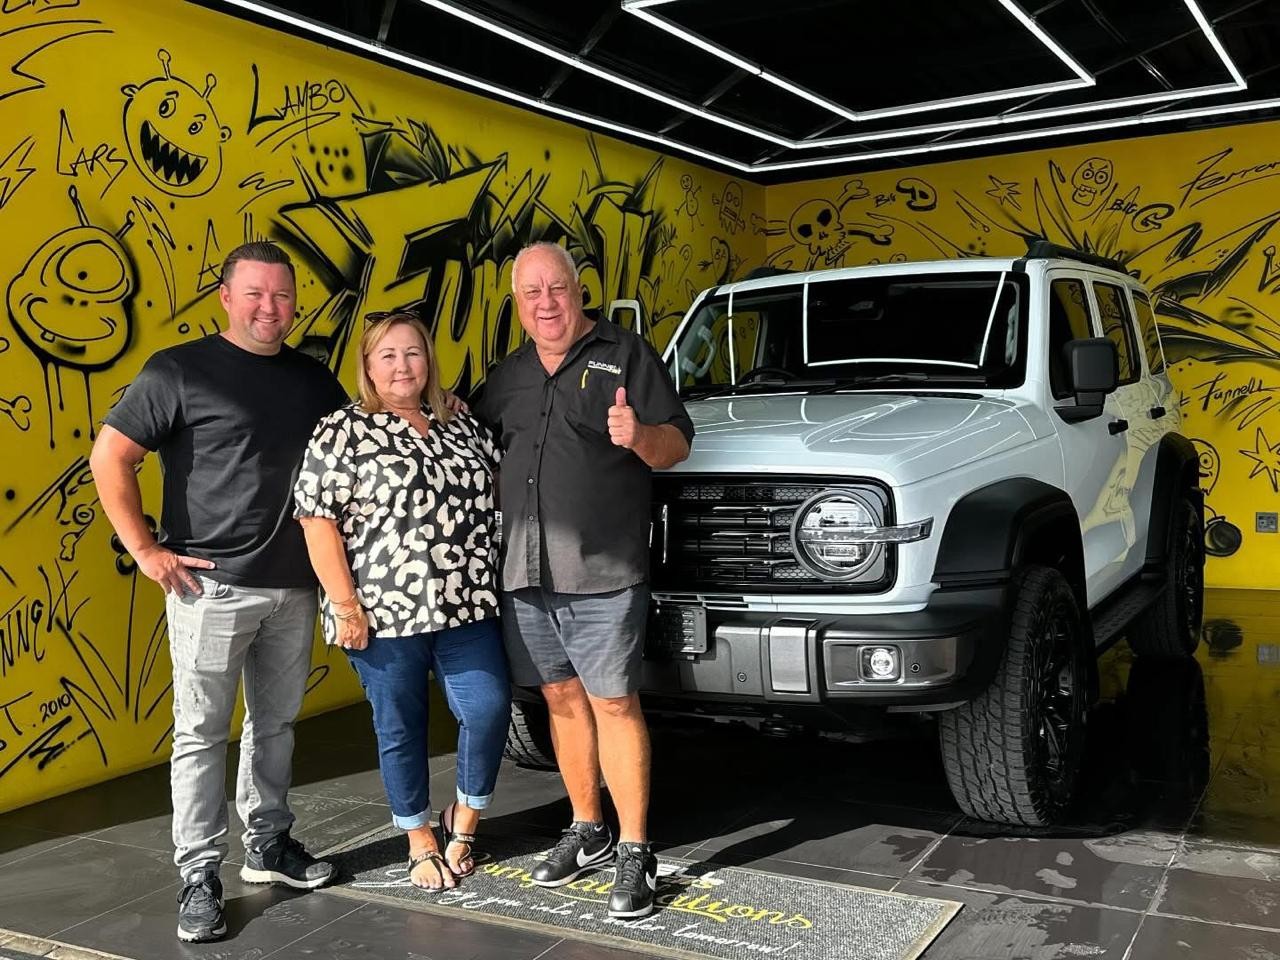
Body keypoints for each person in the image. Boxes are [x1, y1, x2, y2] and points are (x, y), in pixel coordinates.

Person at [89, 242, 346, 943]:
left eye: (283, 295)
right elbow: (111, 455)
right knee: (201, 734)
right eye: (255, 293)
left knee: (275, 725)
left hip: (293, 588)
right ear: (226, 297)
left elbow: (359, 447)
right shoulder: (178, 370)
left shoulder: (314, 379)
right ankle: (199, 875)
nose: (271, 307)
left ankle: (268, 844)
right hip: (211, 589)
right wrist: (145, 549)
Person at [474, 241, 694, 919]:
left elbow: (678, 443)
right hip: (525, 572)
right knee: (560, 699)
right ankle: (587, 827)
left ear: (578, 290)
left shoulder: (627, 354)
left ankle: (635, 848)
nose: (546, 303)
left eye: (557, 288)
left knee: (615, 704)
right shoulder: (506, 376)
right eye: (532, 292)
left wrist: (639, 435)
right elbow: (470, 440)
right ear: (518, 303)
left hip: (603, 572)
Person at [293, 311, 509, 893]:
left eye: (413, 353)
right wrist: (345, 606)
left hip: (467, 604)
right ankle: (418, 839)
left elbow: (502, 487)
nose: (402, 366)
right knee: (400, 726)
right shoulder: (342, 430)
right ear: (367, 366)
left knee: (488, 710)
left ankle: (463, 820)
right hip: (381, 614)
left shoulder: (462, 425)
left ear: (429, 360)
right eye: (387, 355)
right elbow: (317, 521)